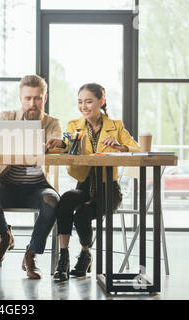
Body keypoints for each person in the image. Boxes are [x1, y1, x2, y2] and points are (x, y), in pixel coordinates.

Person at [45, 83, 140, 282]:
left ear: (101, 101)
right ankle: (63, 258)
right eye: (80, 102)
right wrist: (59, 144)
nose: (84, 106)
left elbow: (137, 150)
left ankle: (85, 253)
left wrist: (120, 146)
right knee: (66, 201)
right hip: (84, 185)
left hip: (108, 191)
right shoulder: (74, 125)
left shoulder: (116, 126)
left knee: (82, 213)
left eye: (89, 101)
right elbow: (68, 144)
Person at [0, 75, 62, 279]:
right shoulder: (7, 117)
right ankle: (5, 236)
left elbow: (60, 140)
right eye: (28, 98)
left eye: (37, 98)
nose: (32, 103)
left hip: (37, 187)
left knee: (53, 199)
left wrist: (56, 143)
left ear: (45, 97)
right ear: (20, 98)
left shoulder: (51, 123)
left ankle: (31, 255)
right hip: (6, 184)